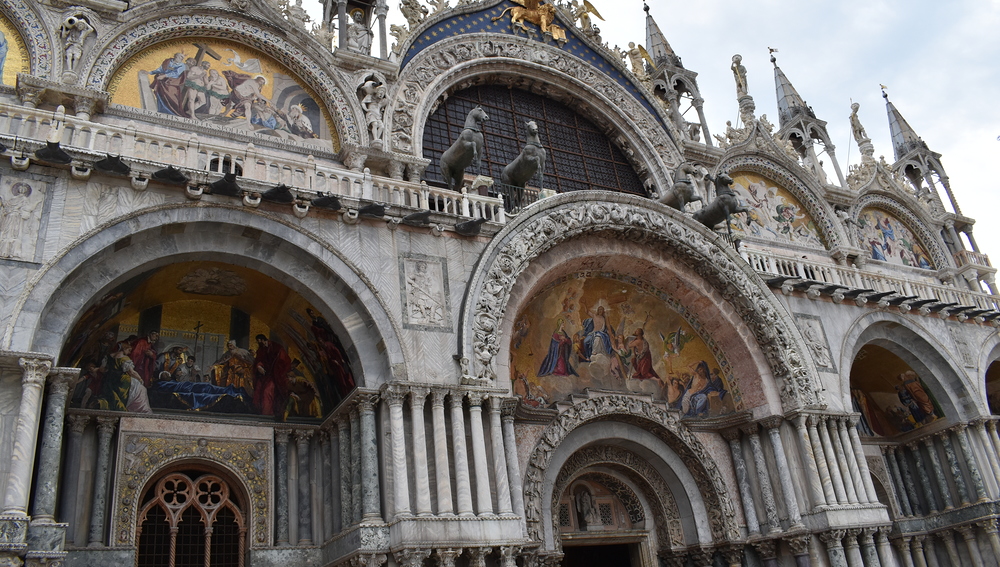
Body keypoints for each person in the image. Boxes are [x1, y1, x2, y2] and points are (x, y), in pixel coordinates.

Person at [253, 334, 291, 416]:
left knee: (267, 392)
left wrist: (276, 369)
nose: (259, 344)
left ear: (263, 340)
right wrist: (259, 366)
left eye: (259, 341)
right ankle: (258, 412)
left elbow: (284, 361)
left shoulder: (277, 348)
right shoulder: (261, 349)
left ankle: (267, 414)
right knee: (257, 391)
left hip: (275, 375)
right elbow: (259, 360)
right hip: (264, 375)